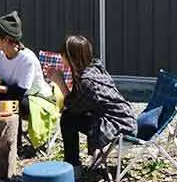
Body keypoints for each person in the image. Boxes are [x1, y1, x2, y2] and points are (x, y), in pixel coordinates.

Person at [45, 35, 137, 170]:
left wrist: (60, 83)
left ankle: (72, 167)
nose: (61, 58)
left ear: (70, 57)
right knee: (70, 117)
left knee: (68, 119)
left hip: (119, 125)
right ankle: (76, 163)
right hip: (125, 119)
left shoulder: (87, 81)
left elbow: (73, 106)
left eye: (62, 55)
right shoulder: (94, 68)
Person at [0, 10, 53, 148]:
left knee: (11, 102)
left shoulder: (26, 59)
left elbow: (19, 92)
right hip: (16, 96)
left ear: (6, 39)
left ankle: (13, 146)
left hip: (36, 98)